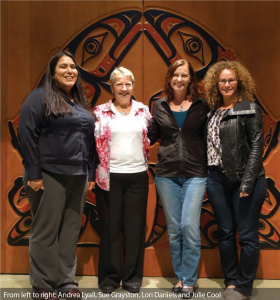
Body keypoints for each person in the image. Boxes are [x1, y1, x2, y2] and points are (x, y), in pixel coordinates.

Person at [18, 51, 95, 300]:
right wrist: (34, 173)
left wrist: (90, 172)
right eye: (63, 66)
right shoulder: (38, 98)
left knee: (71, 229)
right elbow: (27, 135)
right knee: (46, 230)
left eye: (73, 67)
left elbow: (89, 142)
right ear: (53, 72)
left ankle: (66, 283)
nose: (70, 70)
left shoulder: (79, 102)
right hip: (48, 174)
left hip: (78, 174)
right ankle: (43, 284)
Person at [203, 61, 266, 300]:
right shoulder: (212, 111)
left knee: (247, 235)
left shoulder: (249, 108)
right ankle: (231, 281)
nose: (227, 84)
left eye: (231, 80)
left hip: (245, 180)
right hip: (217, 179)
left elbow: (257, 147)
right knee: (226, 232)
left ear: (239, 81)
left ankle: (244, 287)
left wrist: (248, 183)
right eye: (222, 80)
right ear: (215, 84)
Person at [148, 59, 209, 299]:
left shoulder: (202, 106)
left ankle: (190, 281)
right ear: (169, 78)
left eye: (184, 75)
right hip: (166, 175)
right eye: (175, 75)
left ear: (190, 79)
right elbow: (152, 135)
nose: (179, 79)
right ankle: (181, 278)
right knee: (174, 230)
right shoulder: (159, 105)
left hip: (195, 173)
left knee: (189, 227)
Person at [94, 67, 151, 294]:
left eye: (128, 84)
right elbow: (91, 145)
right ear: (111, 87)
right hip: (109, 178)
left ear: (133, 87)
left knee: (134, 229)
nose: (124, 88)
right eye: (119, 84)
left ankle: (132, 278)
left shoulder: (143, 110)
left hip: (137, 176)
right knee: (109, 229)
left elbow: (152, 136)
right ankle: (109, 277)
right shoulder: (100, 112)